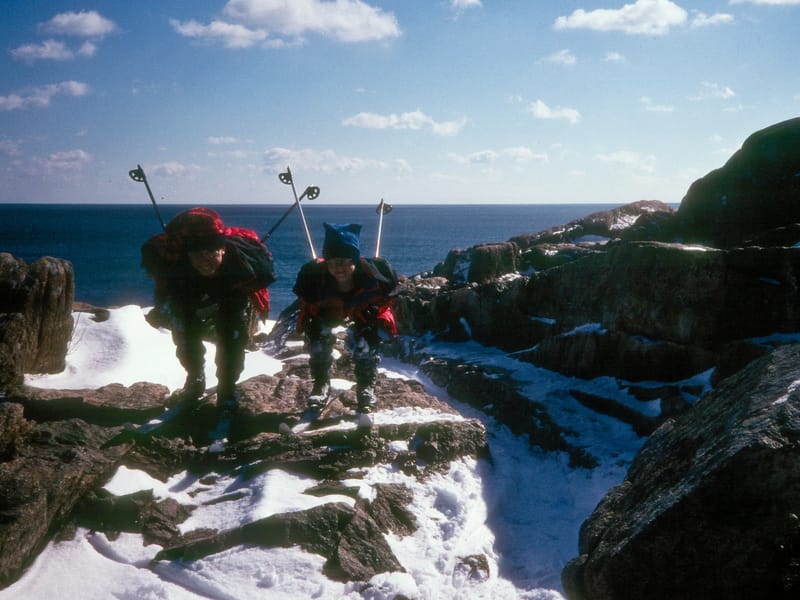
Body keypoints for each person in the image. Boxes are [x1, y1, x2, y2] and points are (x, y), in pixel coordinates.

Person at [141, 207, 275, 411]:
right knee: (185, 334)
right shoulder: (178, 271)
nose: (205, 261)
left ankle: (227, 388)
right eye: (198, 255)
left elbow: (253, 288)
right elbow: (167, 295)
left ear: (223, 250)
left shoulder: (239, 269)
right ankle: (195, 378)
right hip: (189, 294)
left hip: (231, 294)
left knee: (233, 338)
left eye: (211, 253)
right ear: (188, 256)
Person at [292, 222, 399, 416]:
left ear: (355, 261)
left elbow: (386, 302)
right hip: (329, 312)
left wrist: (374, 313)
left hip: (360, 311)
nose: (338, 268)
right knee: (318, 334)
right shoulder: (317, 283)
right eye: (332, 262)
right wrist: (317, 319)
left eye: (344, 261)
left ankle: (366, 388)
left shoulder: (373, 280)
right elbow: (307, 307)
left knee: (367, 338)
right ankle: (321, 385)